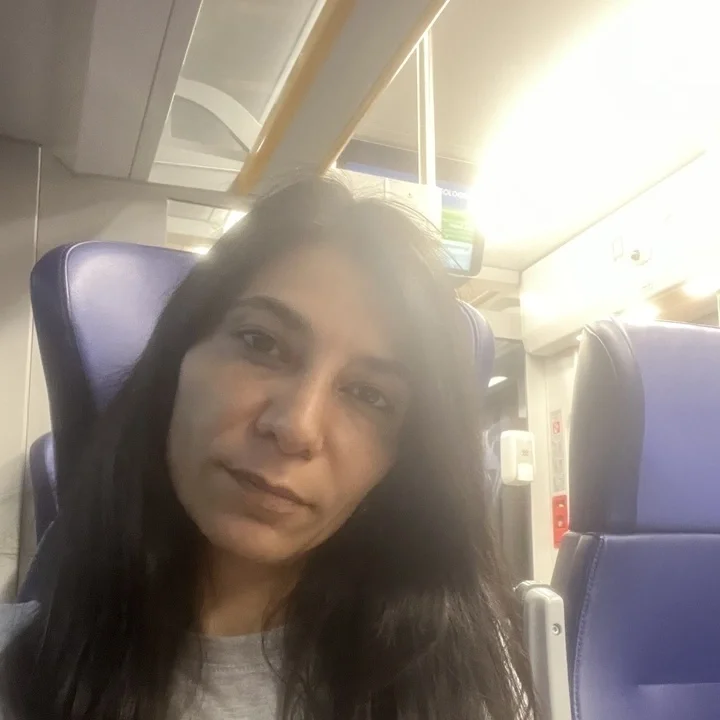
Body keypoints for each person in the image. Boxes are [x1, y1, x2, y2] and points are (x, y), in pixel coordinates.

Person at [0, 176, 534, 720]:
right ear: (178, 358)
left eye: (369, 394)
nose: (296, 427)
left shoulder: (462, 682)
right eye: (262, 343)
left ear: (398, 462)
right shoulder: (16, 669)